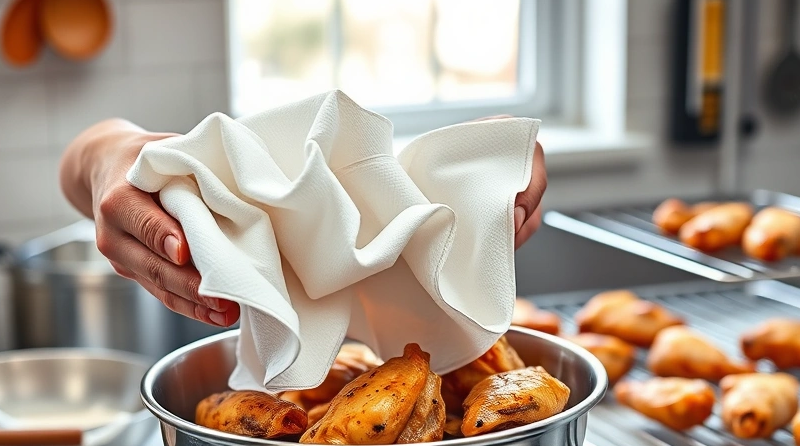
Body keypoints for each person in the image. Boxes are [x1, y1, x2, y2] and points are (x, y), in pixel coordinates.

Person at [60, 116, 547, 328]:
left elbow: (418, 181)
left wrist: (487, 169)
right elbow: (81, 157)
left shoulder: (382, 174)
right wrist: (105, 160)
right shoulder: (216, 166)